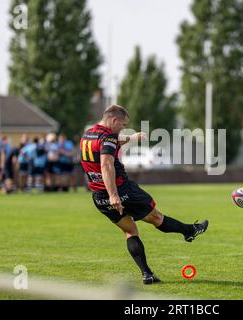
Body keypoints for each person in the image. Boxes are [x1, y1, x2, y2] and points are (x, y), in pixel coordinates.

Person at [80, 105, 209, 285]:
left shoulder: (89, 134)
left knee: (130, 230)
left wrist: (131, 138)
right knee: (156, 217)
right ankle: (190, 231)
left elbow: (110, 141)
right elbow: (106, 165)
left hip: (99, 197)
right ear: (114, 120)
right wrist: (114, 195)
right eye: (123, 125)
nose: (123, 128)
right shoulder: (108, 136)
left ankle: (147, 274)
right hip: (121, 190)